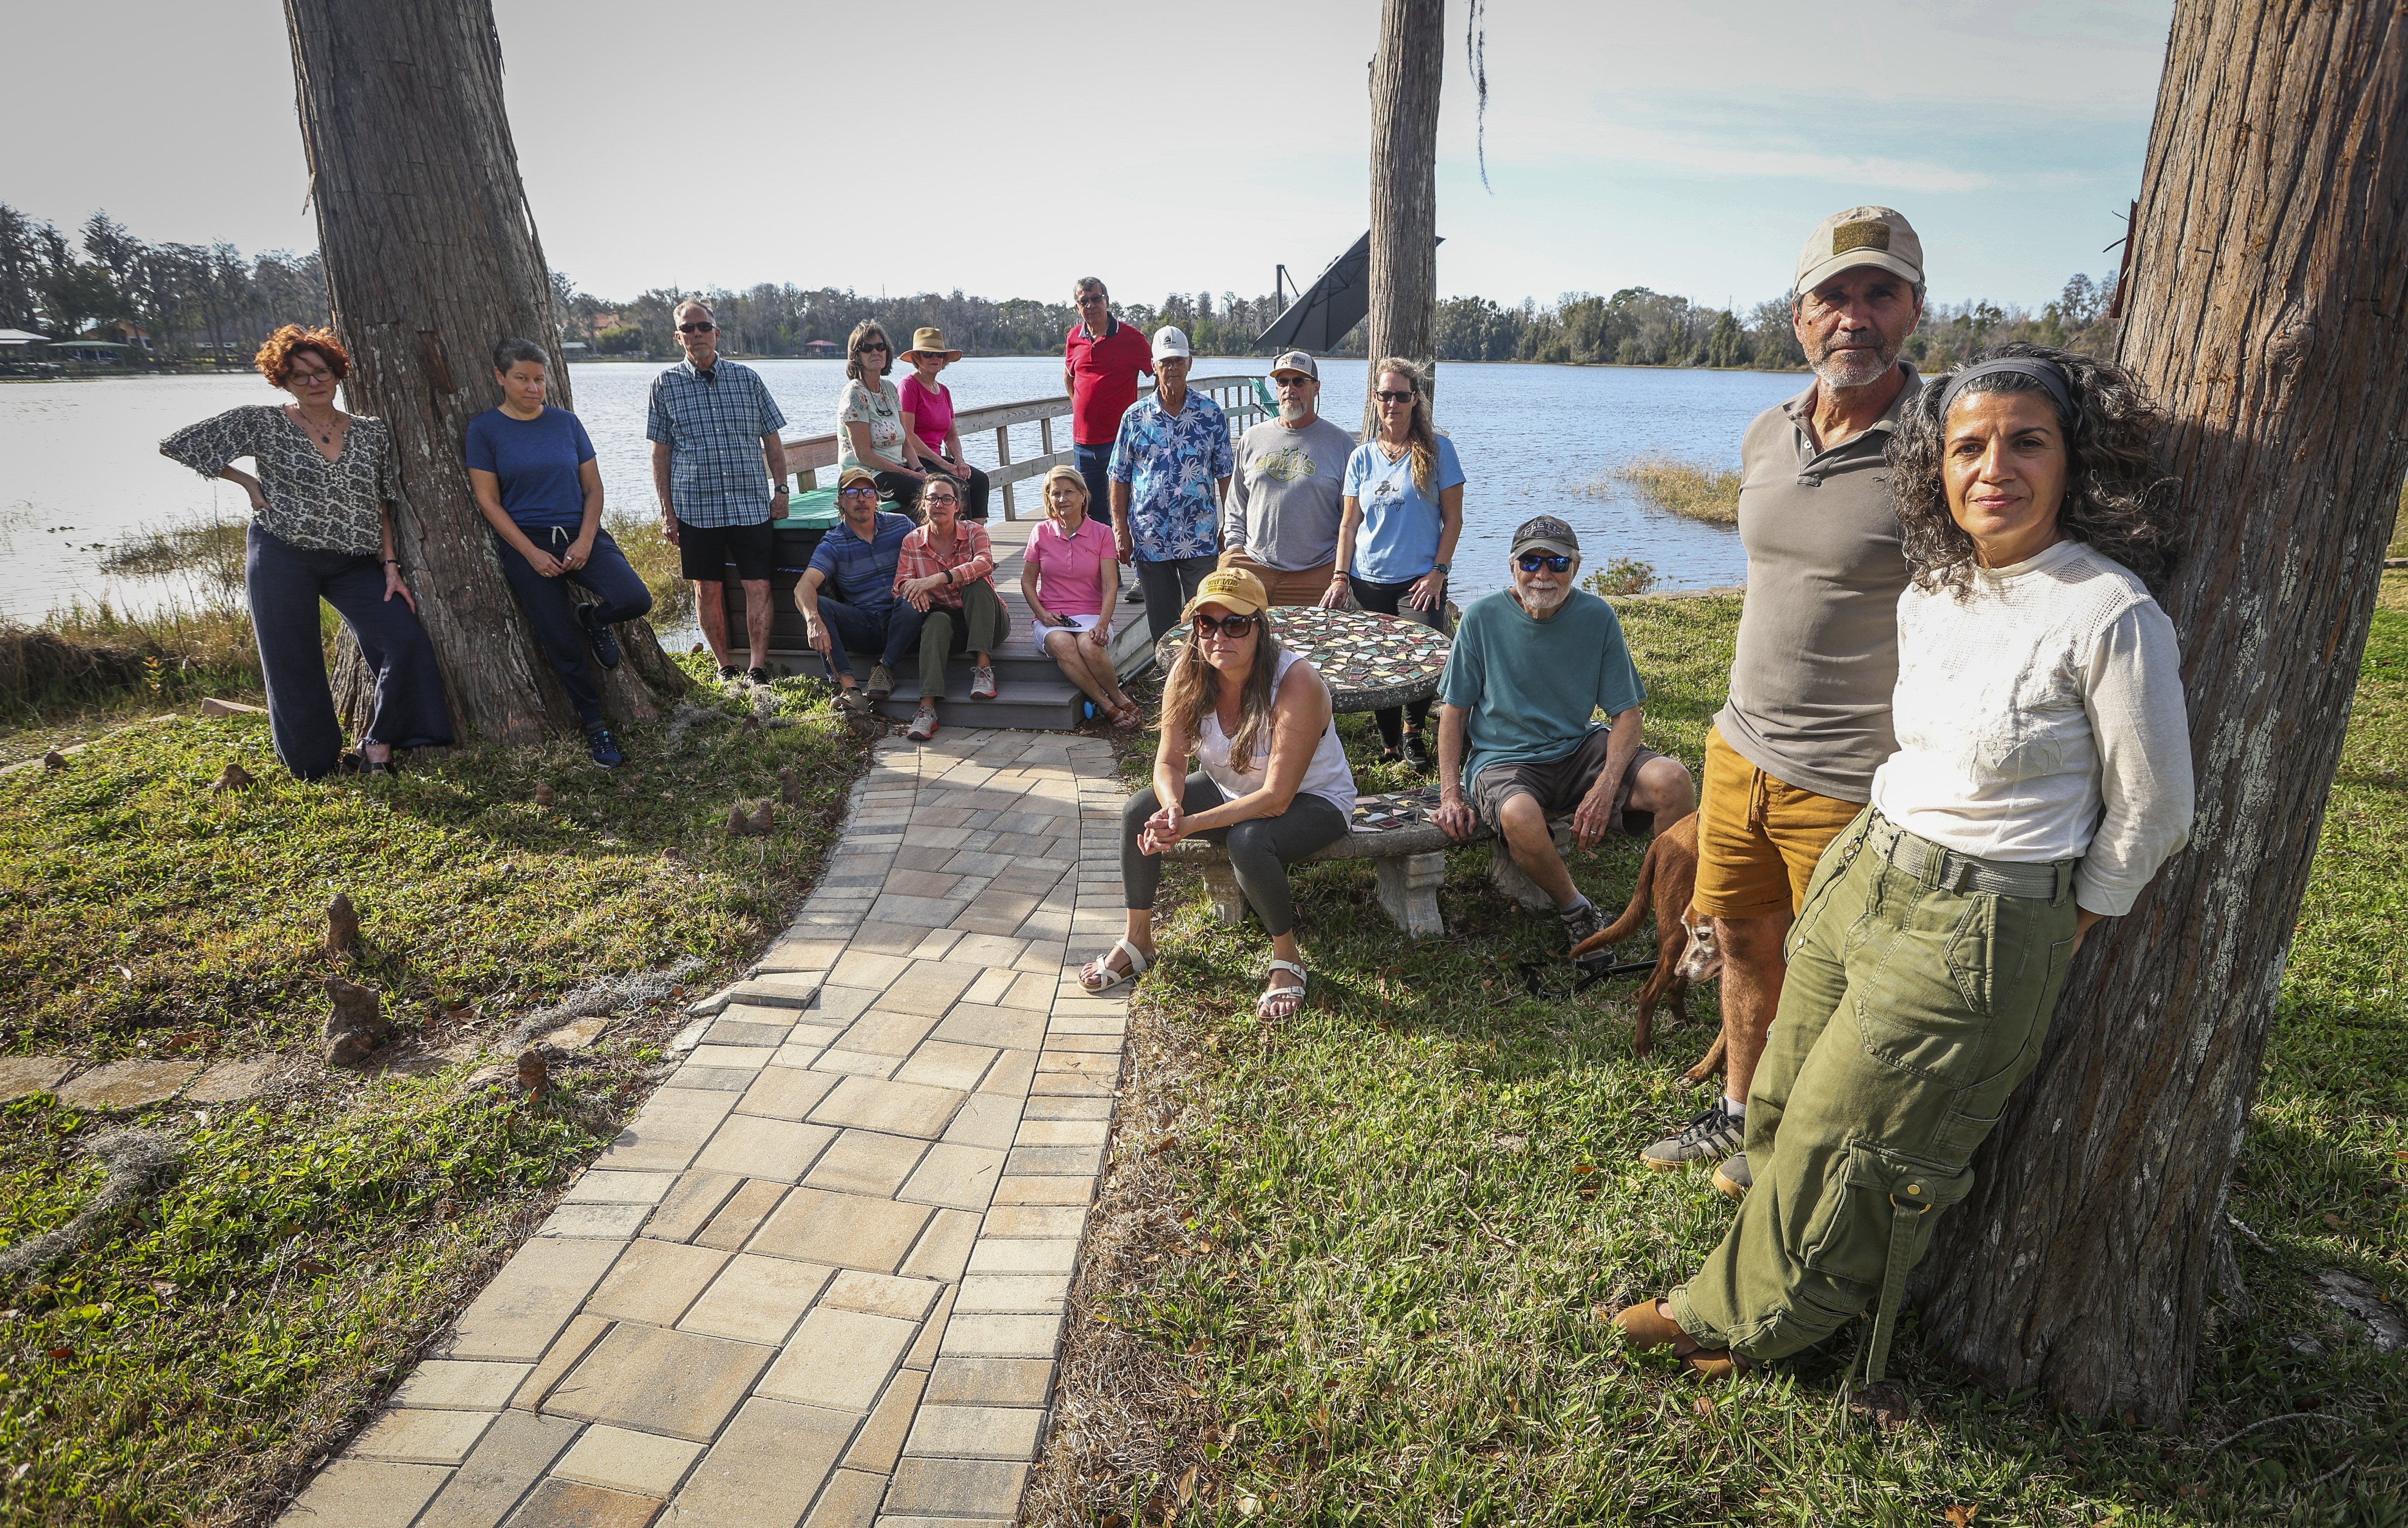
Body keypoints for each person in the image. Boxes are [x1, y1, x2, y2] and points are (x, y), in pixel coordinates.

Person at [1617, 343, 2194, 1383]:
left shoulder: (2105, 610)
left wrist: (2059, 921)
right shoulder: (1933, 589)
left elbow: (2154, 808)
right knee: (1788, 1094)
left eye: (2025, 442)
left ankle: (1742, 1325)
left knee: (1850, 1145)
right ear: (1935, 462)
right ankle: (1753, 1262)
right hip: (1863, 870)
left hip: (1976, 917)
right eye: (1967, 445)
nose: (1993, 468)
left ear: (2069, 461)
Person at [1639, 206, 1928, 1190]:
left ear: (1912, 311)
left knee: (1836, 984)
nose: (1853, 317)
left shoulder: (1940, 450)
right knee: (1743, 944)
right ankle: (1738, 1116)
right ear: (1796, 317)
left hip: (1854, 777)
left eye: (1876, 294)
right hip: (1736, 753)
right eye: (1831, 296)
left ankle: (1799, 1154)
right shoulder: (1767, 432)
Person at [158, 324, 451, 780]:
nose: (314, 383)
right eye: (300, 377)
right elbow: (180, 445)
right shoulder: (264, 421)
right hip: (281, 553)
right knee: (292, 660)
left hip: (353, 563)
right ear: (283, 381)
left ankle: (380, 742)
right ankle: (314, 764)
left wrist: (390, 565)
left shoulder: (371, 432)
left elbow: (384, 503)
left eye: (321, 372)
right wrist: (248, 482)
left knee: (404, 641)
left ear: (337, 373)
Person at [1083, 568, 1358, 1020]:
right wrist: (1172, 807)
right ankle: (1138, 941)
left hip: (1316, 800)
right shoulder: (1187, 675)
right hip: (1231, 791)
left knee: (1247, 839)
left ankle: (1287, 959)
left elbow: (1277, 798)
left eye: (1235, 624)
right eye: (1206, 624)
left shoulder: (1296, 682)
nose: (1218, 636)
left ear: (1258, 627)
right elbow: (1170, 762)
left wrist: (1189, 825)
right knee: (1140, 809)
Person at [1433, 516, 1698, 953]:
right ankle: (1577, 910)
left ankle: (1676, 916)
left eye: (1556, 562)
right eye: (1530, 561)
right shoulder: (1481, 619)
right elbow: (1453, 714)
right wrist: (1449, 794)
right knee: (1519, 814)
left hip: (1577, 749)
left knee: (1672, 780)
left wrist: (1605, 784)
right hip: (1503, 759)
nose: (1542, 574)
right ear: (1511, 566)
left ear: (1575, 568)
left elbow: (1626, 716)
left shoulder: (1596, 617)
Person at [466, 336, 651, 769]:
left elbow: (594, 487)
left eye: (539, 380)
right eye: (522, 379)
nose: (533, 388)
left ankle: (595, 618)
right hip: (527, 542)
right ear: (500, 378)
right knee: (561, 641)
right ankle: (595, 726)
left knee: (634, 599)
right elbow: (488, 500)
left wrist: (586, 540)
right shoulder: (484, 430)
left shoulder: (567, 423)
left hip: (580, 531)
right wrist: (530, 553)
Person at [1323, 356, 1464, 771]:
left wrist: (1438, 574)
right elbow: (1349, 524)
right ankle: (1387, 741)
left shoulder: (1439, 451)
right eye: (1385, 395)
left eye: (1401, 396)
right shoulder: (1361, 458)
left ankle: (1412, 732)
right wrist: (1340, 577)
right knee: (1373, 661)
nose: (1393, 404)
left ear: (1414, 399)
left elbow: (1453, 520)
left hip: (1418, 582)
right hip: (1368, 580)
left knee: (1424, 657)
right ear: (1375, 399)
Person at [647, 298, 789, 686]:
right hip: (695, 506)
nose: (697, 334)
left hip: (749, 503)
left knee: (758, 585)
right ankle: (724, 668)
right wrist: (667, 511)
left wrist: (781, 490)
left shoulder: (748, 379)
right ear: (679, 337)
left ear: (717, 332)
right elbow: (660, 453)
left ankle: (758, 668)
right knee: (706, 588)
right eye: (689, 329)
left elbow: (773, 442)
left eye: (704, 327)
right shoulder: (665, 385)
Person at [1108, 325, 1232, 644]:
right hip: (1150, 538)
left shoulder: (1210, 414)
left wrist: (1229, 526)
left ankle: (1208, 684)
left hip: (1200, 535)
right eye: (1165, 362)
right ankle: (1171, 685)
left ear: (1189, 363)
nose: (1172, 368)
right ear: (1153, 367)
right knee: (1163, 628)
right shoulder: (1134, 418)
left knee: (1207, 618)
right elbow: (1118, 476)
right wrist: (1120, 530)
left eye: (1178, 361)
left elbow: (1225, 474)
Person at [1223, 351, 1355, 606]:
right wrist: (1235, 547)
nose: (1290, 389)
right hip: (1253, 563)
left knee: (1320, 642)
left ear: (1316, 387)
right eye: (1283, 381)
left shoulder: (1341, 444)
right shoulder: (1251, 438)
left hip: (1317, 570)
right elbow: (1236, 504)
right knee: (1207, 621)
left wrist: (1341, 574)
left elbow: (1350, 518)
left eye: (1299, 381)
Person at [893, 475, 1009, 741]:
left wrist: (937, 579)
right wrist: (913, 592)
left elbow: (985, 564)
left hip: (990, 620)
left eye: (947, 499)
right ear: (923, 504)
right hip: (950, 622)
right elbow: (899, 583)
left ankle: (984, 670)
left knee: (976, 585)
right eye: (932, 498)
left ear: (958, 506)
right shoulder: (912, 541)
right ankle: (927, 709)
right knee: (934, 622)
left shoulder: (974, 532)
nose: (939, 504)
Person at [1021, 465, 1138, 727]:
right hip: (1051, 617)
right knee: (1064, 645)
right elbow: (1027, 582)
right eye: (1056, 494)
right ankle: (1106, 703)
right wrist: (1042, 614)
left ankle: (1118, 695)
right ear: (1048, 499)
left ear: (1083, 495)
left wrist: (1102, 625)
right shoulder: (1040, 533)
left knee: (1088, 646)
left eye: (1069, 492)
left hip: (1092, 615)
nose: (1062, 499)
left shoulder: (1102, 533)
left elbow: (1110, 585)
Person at [1062, 276, 1153, 602]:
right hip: (1083, 442)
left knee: (1131, 507)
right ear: (1077, 307)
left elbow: (1157, 373)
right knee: (1092, 511)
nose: (1090, 306)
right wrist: (1083, 408)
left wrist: (1149, 419)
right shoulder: (1074, 338)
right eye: (1083, 301)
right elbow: (1069, 378)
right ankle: (1107, 577)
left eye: (1095, 299)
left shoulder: (1130, 338)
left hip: (1122, 442)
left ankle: (1143, 577)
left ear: (1107, 301)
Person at [796, 467, 917, 711]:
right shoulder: (834, 542)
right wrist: (812, 620)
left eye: (868, 492)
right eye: (852, 493)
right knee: (817, 605)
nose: (861, 499)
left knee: (913, 596)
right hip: (865, 625)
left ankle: (885, 668)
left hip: (905, 621)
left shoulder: (902, 525)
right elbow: (803, 586)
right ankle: (851, 690)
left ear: (877, 498)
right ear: (841, 500)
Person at [897, 326, 991, 521]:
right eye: (928, 353)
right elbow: (908, 436)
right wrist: (944, 465)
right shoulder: (909, 386)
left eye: (939, 354)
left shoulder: (944, 391)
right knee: (958, 487)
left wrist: (959, 461)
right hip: (915, 461)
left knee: (980, 481)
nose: (935, 358)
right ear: (917, 358)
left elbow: (951, 435)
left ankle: (977, 540)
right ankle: (958, 545)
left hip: (938, 459)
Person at [838, 321, 925, 521]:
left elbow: (905, 442)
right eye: (867, 348)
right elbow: (863, 455)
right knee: (933, 494)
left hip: (895, 472)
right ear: (857, 356)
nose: (875, 352)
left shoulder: (889, 389)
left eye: (881, 347)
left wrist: (920, 470)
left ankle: (963, 545)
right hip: (867, 476)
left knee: (948, 486)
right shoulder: (854, 393)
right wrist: (911, 475)